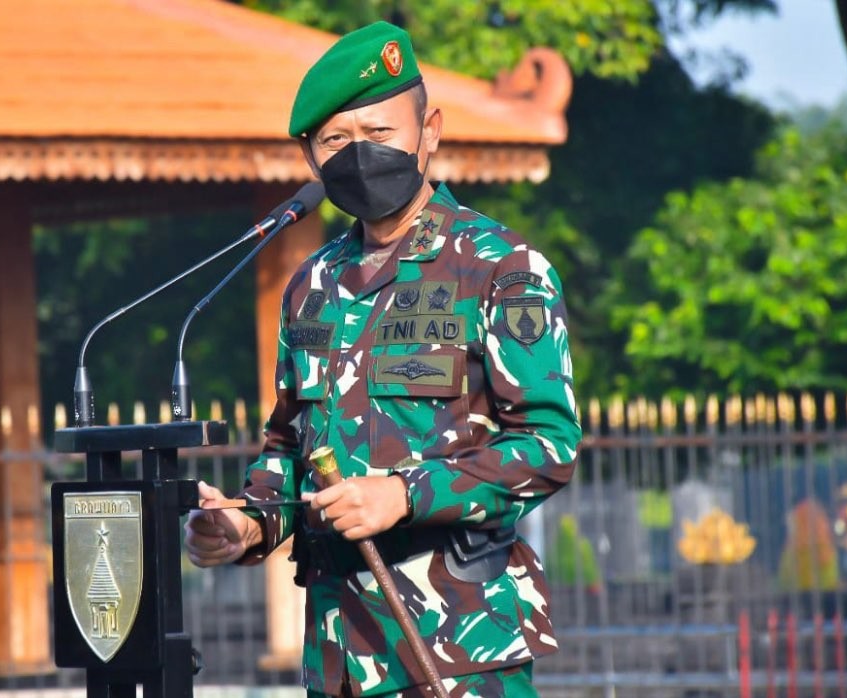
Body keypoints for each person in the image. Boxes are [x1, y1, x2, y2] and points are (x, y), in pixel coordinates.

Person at [185, 21, 580, 698]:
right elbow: (290, 450)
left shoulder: (500, 269)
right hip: (339, 652)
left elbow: (548, 446)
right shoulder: (312, 287)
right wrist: (247, 523)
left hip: (458, 649)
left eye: (380, 134)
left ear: (430, 131)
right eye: (335, 140)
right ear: (312, 157)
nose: (359, 155)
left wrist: (403, 494)